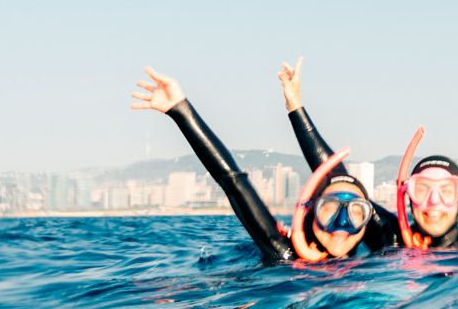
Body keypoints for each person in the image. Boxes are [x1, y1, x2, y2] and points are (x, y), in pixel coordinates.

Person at [131, 67, 389, 262]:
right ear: (309, 210)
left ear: (368, 221)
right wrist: (180, 110)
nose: (341, 224)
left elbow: (332, 173)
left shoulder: (382, 259)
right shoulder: (285, 253)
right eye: (329, 208)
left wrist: (296, 106)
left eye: (357, 211)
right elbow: (232, 180)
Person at [279, 59, 458, 251]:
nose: (434, 201)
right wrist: (295, 107)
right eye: (422, 189)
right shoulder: (391, 238)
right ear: (408, 196)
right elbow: (334, 174)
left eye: (447, 191)